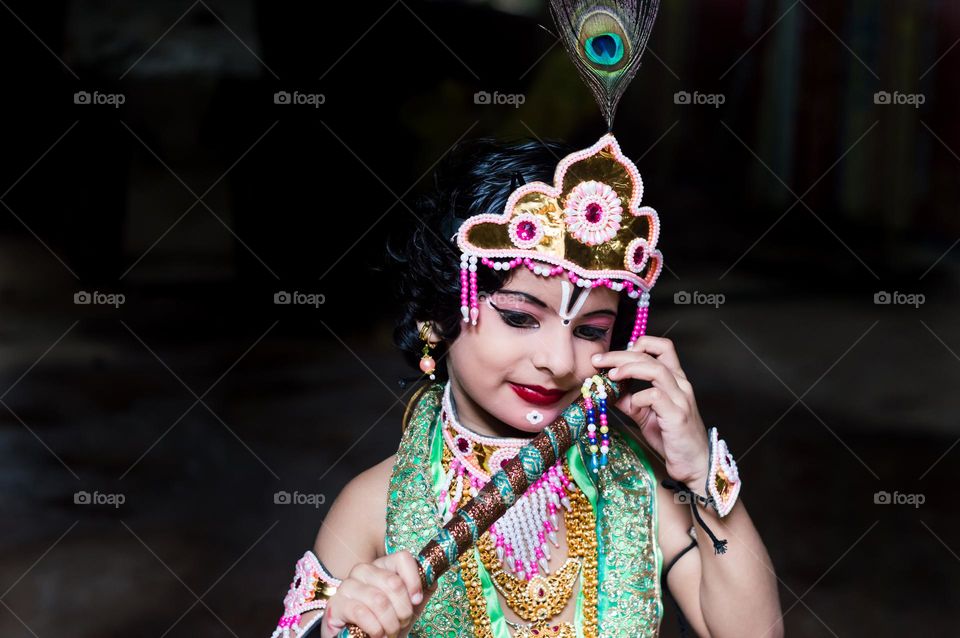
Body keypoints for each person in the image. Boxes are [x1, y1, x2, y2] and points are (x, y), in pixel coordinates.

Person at [269, 2, 783, 636]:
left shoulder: (633, 488)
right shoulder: (372, 509)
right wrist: (341, 625)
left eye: (592, 329)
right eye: (520, 316)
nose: (560, 360)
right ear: (437, 315)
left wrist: (699, 471)